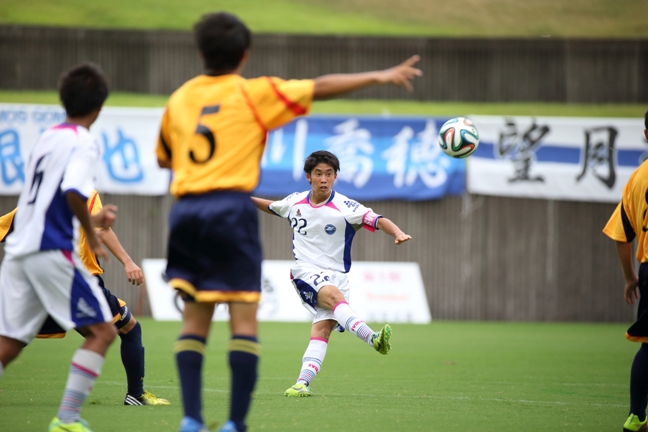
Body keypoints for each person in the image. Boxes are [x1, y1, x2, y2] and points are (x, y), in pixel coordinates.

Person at [155, 11, 421, 432]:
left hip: (186, 210)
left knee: (195, 322)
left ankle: (191, 420)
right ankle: (235, 423)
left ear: (200, 52)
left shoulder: (179, 99)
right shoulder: (253, 93)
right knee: (243, 321)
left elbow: (163, 159)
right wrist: (380, 76)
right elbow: (320, 87)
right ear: (245, 55)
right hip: (230, 209)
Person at [0, 63, 117, 432]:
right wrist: (92, 231)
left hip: (18, 252)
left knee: (9, 343)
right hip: (50, 250)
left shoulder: (46, 137)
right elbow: (72, 191)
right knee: (103, 333)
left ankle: (68, 420)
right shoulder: (84, 141)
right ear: (99, 106)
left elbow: (51, 197)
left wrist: (92, 220)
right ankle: (67, 419)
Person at [251, 150, 411, 397]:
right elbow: (272, 207)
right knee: (335, 298)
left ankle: (302, 383)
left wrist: (398, 233)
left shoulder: (346, 207)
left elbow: (378, 220)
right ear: (308, 177)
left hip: (337, 277)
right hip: (306, 271)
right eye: (318, 174)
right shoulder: (295, 202)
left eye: (329, 174)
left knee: (322, 331)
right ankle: (372, 338)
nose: (324, 179)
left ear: (336, 176)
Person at [0, 191, 170, 407]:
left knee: (13, 339)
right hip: (78, 280)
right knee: (124, 330)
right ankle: (130, 396)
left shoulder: (35, 199)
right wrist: (128, 262)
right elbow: (102, 230)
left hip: (39, 282)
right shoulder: (82, 191)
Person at [603, 110, 648, 432]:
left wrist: (630, 277)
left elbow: (621, 235)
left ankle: (635, 416)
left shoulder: (638, 178)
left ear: (646, 135)